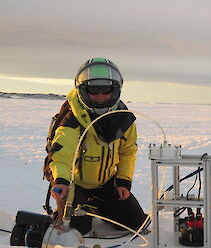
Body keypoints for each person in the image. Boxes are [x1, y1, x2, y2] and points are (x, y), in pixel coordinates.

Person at [48, 57, 147, 235]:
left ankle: (96, 207)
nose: (100, 96)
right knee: (77, 230)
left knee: (137, 223)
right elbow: (62, 155)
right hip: (73, 186)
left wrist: (123, 181)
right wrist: (61, 181)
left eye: (106, 90)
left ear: (116, 90)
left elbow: (128, 151)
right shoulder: (72, 120)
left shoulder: (123, 119)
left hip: (106, 184)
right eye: (93, 90)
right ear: (83, 91)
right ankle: (70, 209)